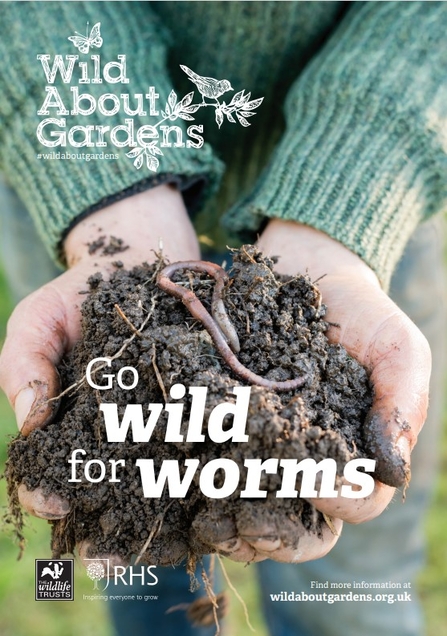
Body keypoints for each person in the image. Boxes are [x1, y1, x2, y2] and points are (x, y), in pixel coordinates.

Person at [0, 2, 446, 635]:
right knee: (135, 537)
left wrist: (359, 184)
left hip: (368, 200)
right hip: (77, 177)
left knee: (349, 590)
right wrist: (113, 200)